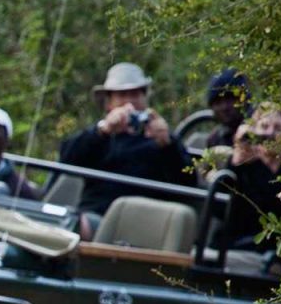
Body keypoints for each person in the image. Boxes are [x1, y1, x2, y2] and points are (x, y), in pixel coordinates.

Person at [59, 63, 194, 240]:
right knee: (66, 223)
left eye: (135, 94)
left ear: (145, 98)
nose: (129, 102)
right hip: (96, 214)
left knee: (76, 227)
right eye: (122, 95)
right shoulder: (98, 137)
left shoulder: (162, 139)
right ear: (109, 103)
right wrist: (104, 130)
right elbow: (66, 160)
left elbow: (188, 183)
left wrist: (167, 145)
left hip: (142, 222)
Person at [215, 103, 281, 253]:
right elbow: (218, 210)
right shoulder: (243, 166)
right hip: (233, 245)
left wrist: (271, 165)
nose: (270, 134)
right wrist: (234, 164)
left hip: (274, 252)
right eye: (264, 127)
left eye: (278, 129)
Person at [204, 68, 252, 148]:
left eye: (230, 99)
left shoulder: (264, 130)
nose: (224, 107)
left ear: (244, 100)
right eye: (218, 102)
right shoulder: (215, 140)